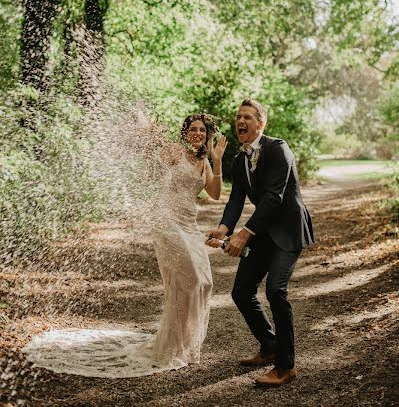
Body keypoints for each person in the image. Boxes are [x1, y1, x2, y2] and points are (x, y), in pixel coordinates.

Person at [22, 113, 227, 378]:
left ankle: (182, 344)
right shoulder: (174, 151)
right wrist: (146, 136)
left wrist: (218, 161)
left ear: (208, 136)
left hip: (189, 225)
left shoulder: (204, 162)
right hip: (167, 222)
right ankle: (169, 348)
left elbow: (214, 193)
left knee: (204, 282)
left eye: (202, 130)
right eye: (193, 129)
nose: (197, 133)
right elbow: (148, 166)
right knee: (190, 277)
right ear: (185, 133)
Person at [207, 98, 314, 387]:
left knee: (276, 291)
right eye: (238, 117)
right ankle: (269, 345)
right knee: (241, 292)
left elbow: (273, 198)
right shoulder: (240, 159)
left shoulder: (278, 149)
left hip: (288, 230)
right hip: (263, 232)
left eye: (248, 117)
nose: (241, 121)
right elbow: (236, 199)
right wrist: (224, 227)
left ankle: (285, 366)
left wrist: (244, 234)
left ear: (261, 123)